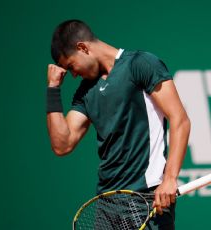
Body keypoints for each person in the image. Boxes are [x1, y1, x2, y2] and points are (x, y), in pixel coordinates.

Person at [46, 19, 190, 229]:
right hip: (107, 203)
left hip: (146, 198)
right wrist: (52, 88)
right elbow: (62, 144)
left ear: (83, 47)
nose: (73, 74)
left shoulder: (141, 64)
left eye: (71, 66)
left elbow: (180, 120)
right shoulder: (85, 92)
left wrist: (170, 178)